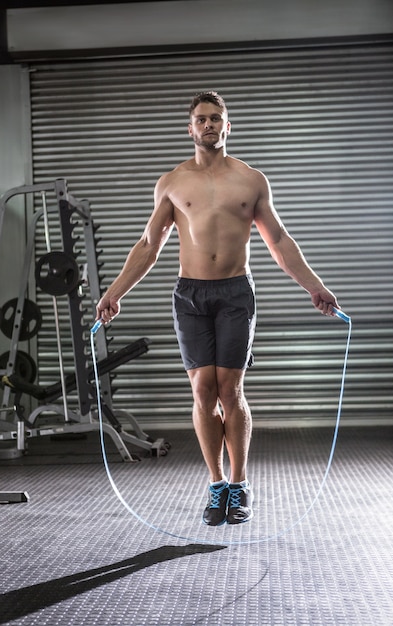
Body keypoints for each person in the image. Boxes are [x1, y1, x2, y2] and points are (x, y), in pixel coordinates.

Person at [96, 91, 339, 527]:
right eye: (201, 119)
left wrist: (314, 287)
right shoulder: (171, 182)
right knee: (203, 392)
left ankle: (240, 484)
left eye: (216, 119)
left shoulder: (251, 181)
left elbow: (279, 241)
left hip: (234, 294)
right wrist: (115, 292)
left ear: (228, 127)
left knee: (230, 391)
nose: (208, 125)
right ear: (189, 129)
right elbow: (150, 246)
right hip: (189, 295)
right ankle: (216, 484)